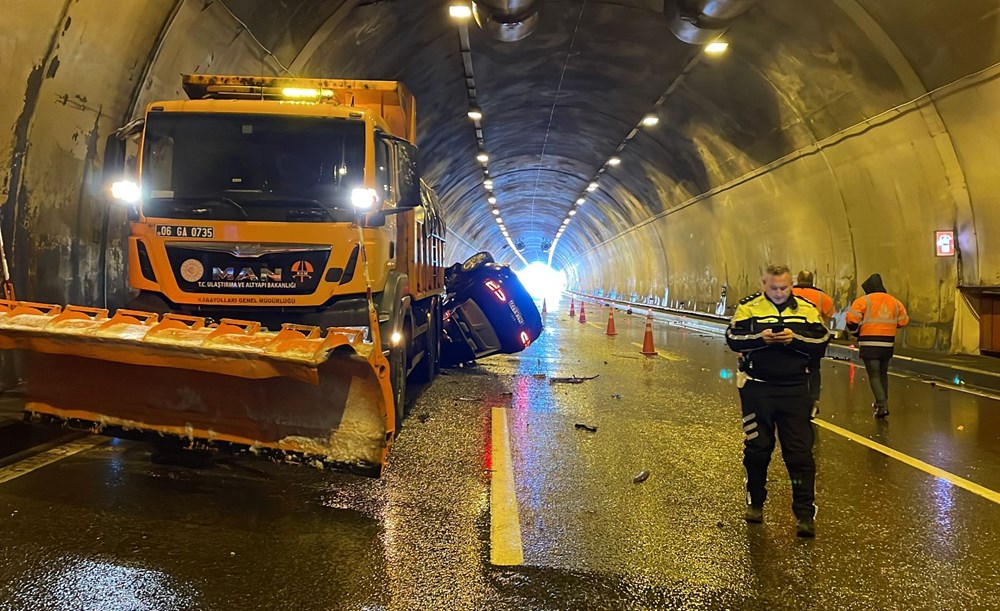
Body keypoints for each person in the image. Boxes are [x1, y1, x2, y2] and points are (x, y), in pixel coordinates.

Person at [727, 264, 831, 538]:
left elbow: (821, 341)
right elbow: (733, 338)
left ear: (791, 285)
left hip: (795, 390)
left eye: (784, 287)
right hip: (757, 390)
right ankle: (755, 502)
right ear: (763, 284)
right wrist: (761, 339)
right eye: (773, 287)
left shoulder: (806, 309)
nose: (779, 292)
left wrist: (793, 339)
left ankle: (805, 514)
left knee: (799, 453)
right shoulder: (749, 307)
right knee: (758, 448)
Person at [845, 273, 909, 419]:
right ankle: (882, 403)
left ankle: (882, 404)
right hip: (887, 344)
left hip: (869, 343)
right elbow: (903, 321)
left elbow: (851, 319)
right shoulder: (895, 302)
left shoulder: (863, 301)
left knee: (873, 374)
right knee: (882, 373)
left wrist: (857, 331)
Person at [792, 271, 836, 418]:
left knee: (792, 368)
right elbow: (830, 314)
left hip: (793, 338)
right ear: (812, 280)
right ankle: (814, 402)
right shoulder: (823, 297)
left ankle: (794, 400)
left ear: (798, 280)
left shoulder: (788, 293)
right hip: (814, 339)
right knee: (814, 369)